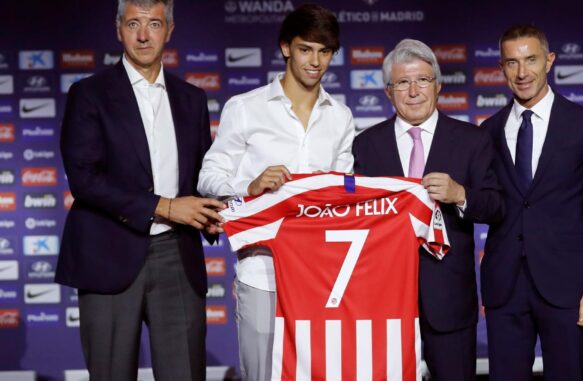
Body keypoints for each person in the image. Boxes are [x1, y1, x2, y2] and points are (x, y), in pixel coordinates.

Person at [56, 1, 224, 380]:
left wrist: (215, 211)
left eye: (153, 24)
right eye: (133, 23)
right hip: (108, 253)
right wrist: (165, 206)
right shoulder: (89, 94)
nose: (144, 35)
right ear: (119, 30)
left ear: (170, 30)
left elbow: (200, 177)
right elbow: (84, 179)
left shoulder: (192, 99)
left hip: (178, 257)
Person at [197, 4, 354, 380]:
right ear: (286, 47)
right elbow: (209, 176)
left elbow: (346, 192)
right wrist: (247, 189)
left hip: (323, 273)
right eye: (305, 49)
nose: (315, 61)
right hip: (261, 270)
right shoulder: (246, 108)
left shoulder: (341, 116)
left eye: (325, 51)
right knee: (262, 375)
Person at [352, 38, 503, 380]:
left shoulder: (471, 140)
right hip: (383, 301)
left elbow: (496, 206)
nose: (414, 91)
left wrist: (460, 194)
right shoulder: (365, 144)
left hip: (449, 302)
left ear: (438, 86)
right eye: (402, 82)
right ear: (388, 92)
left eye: (422, 80)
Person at [479, 24, 583, 381]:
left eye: (530, 60)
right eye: (512, 63)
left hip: (566, 287)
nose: (522, 72)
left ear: (549, 61)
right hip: (504, 287)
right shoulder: (488, 131)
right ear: (501, 68)